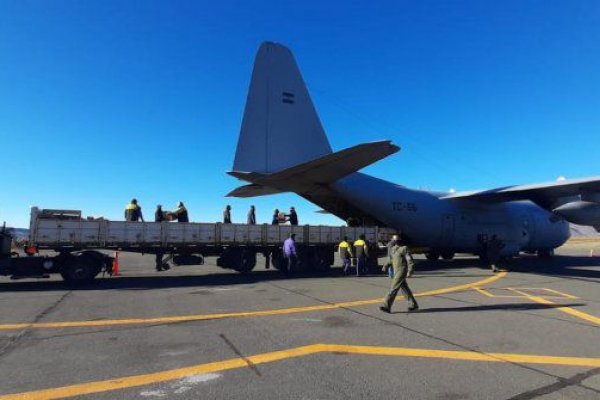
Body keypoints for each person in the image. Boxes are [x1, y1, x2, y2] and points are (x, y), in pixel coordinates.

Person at [380, 237, 419, 313]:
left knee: (393, 288)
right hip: (396, 271)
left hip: (402, 270)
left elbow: (409, 260)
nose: (395, 241)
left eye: (397, 240)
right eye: (394, 240)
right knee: (405, 289)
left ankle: (387, 306)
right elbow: (390, 259)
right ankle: (413, 305)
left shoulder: (404, 248)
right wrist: (385, 265)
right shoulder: (393, 249)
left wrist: (410, 270)